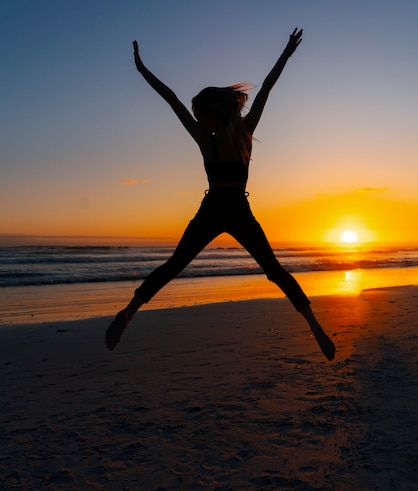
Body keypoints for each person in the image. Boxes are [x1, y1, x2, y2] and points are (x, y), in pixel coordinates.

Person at [105, 29, 336, 361]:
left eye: (201, 114)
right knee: (192, 265)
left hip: (223, 208)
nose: (197, 119)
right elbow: (173, 98)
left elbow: (262, 89)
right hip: (226, 208)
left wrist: (285, 54)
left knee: (262, 268)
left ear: (215, 113)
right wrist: (142, 70)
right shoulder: (221, 136)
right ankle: (127, 314)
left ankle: (315, 327)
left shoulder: (227, 135)